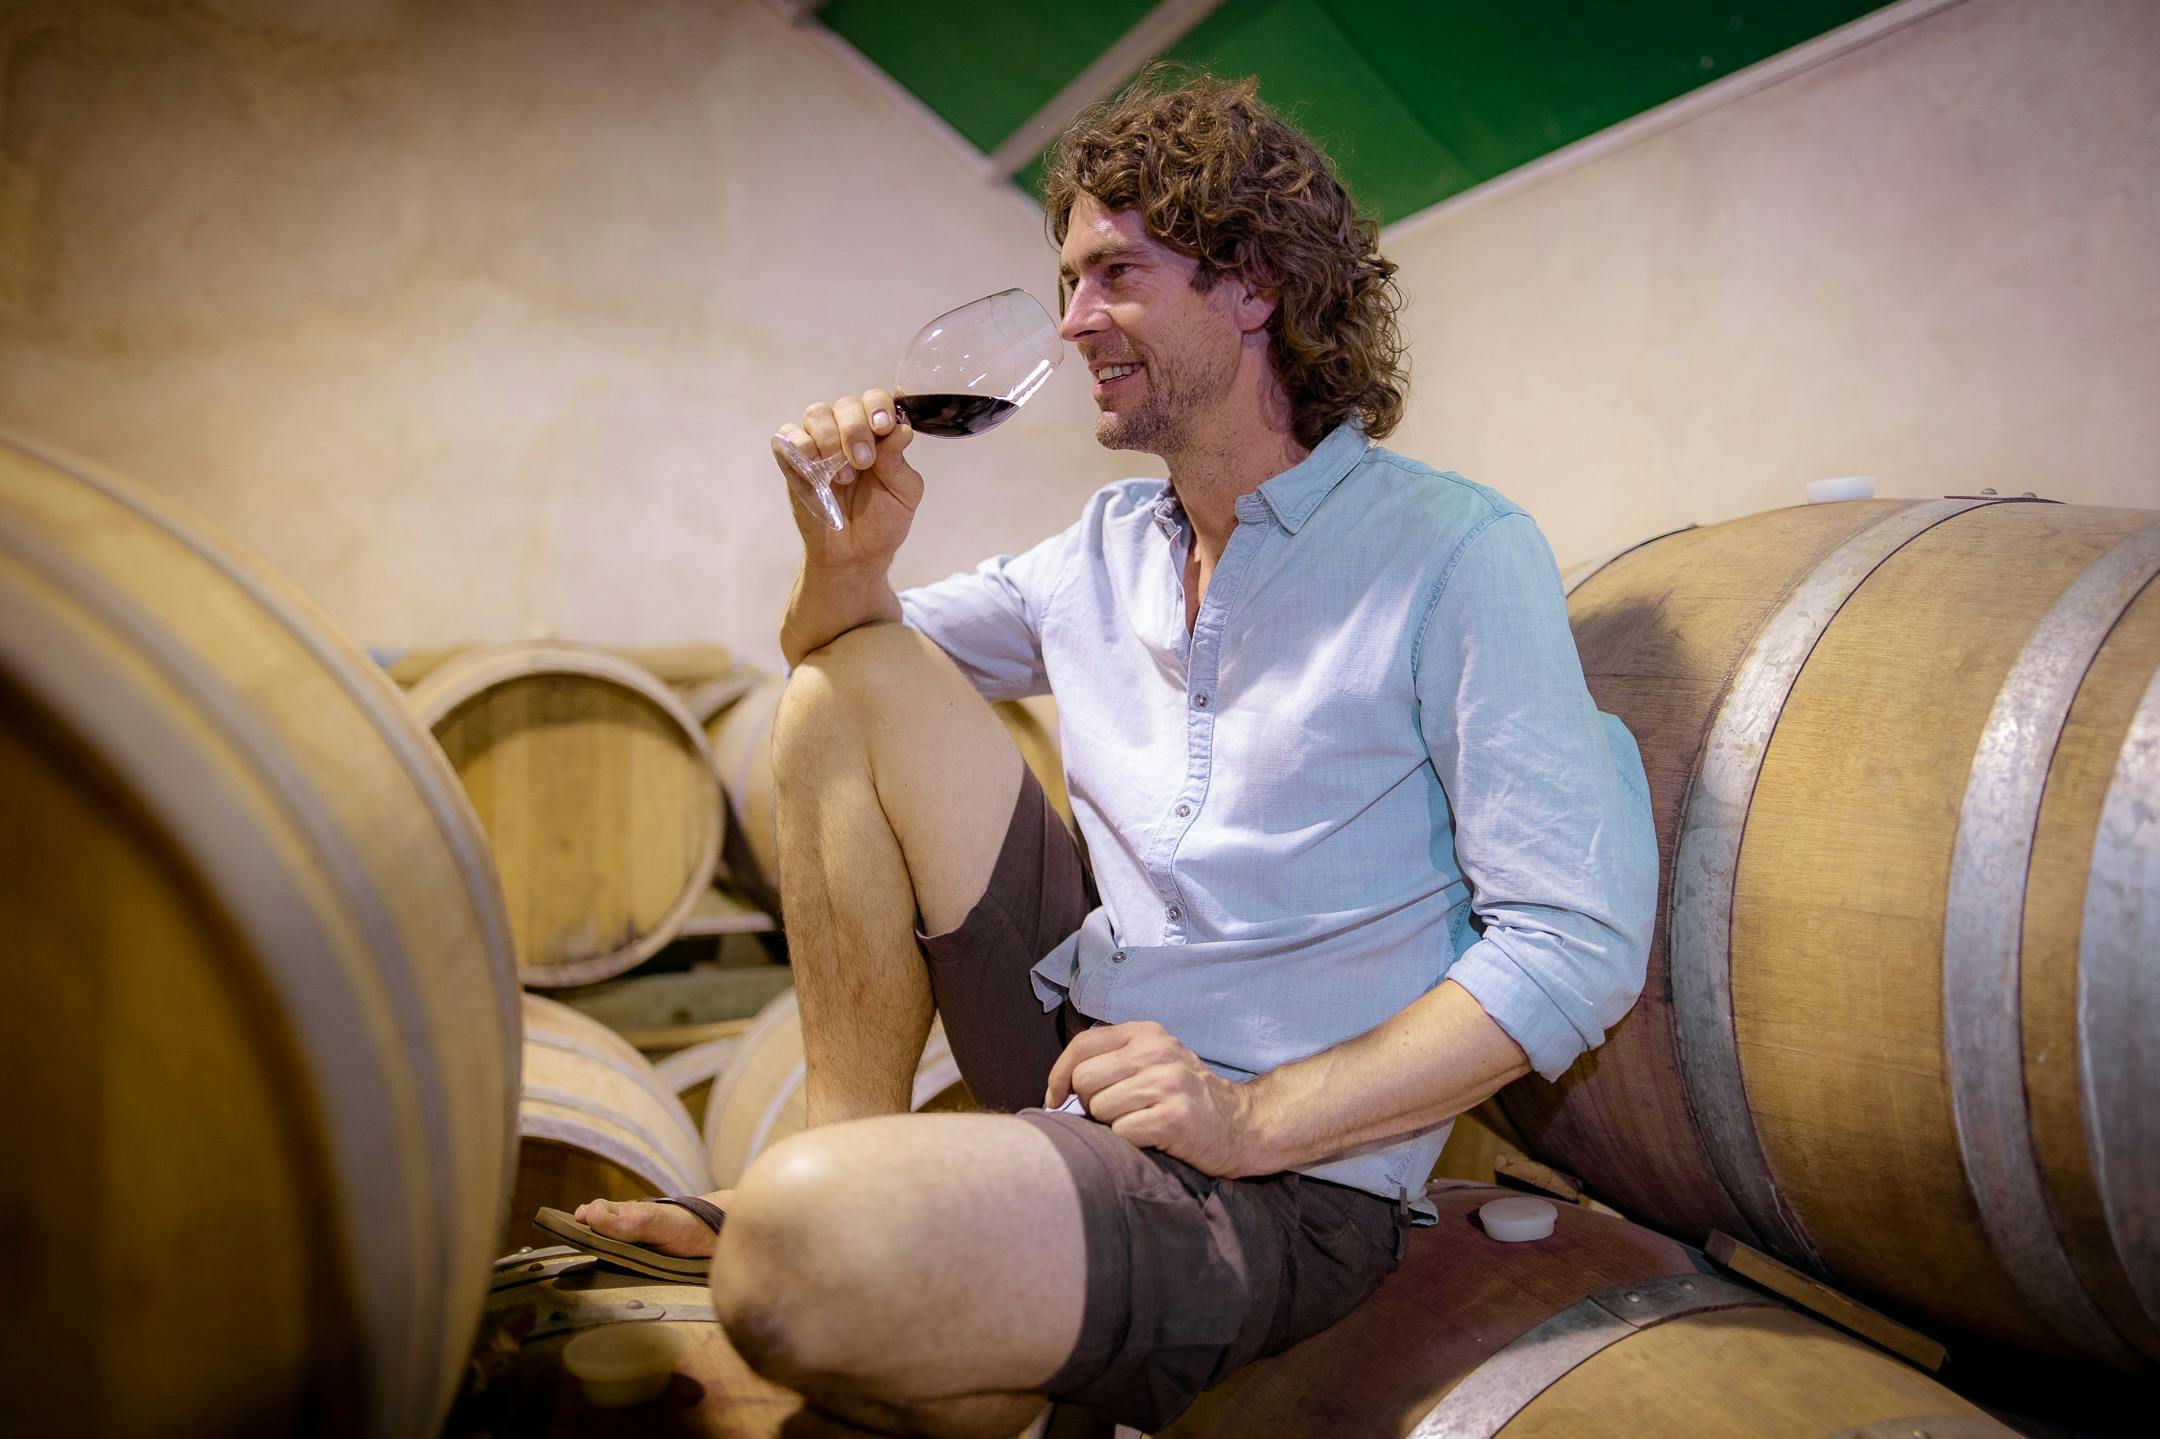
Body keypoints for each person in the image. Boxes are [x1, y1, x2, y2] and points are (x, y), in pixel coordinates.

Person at [570, 69, 1656, 1437]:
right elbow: (840, 657)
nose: (1074, 321)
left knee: (796, 1268)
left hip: (1273, 1179)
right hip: (1080, 1051)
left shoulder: (1455, 550)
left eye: (1114, 275)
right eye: (1069, 278)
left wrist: (1254, 1123)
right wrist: (840, 554)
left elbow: (1572, 943)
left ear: (1254, 282)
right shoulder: (1097, 551)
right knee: (840, 690)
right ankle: (845, 1157)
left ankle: (920, 1291)